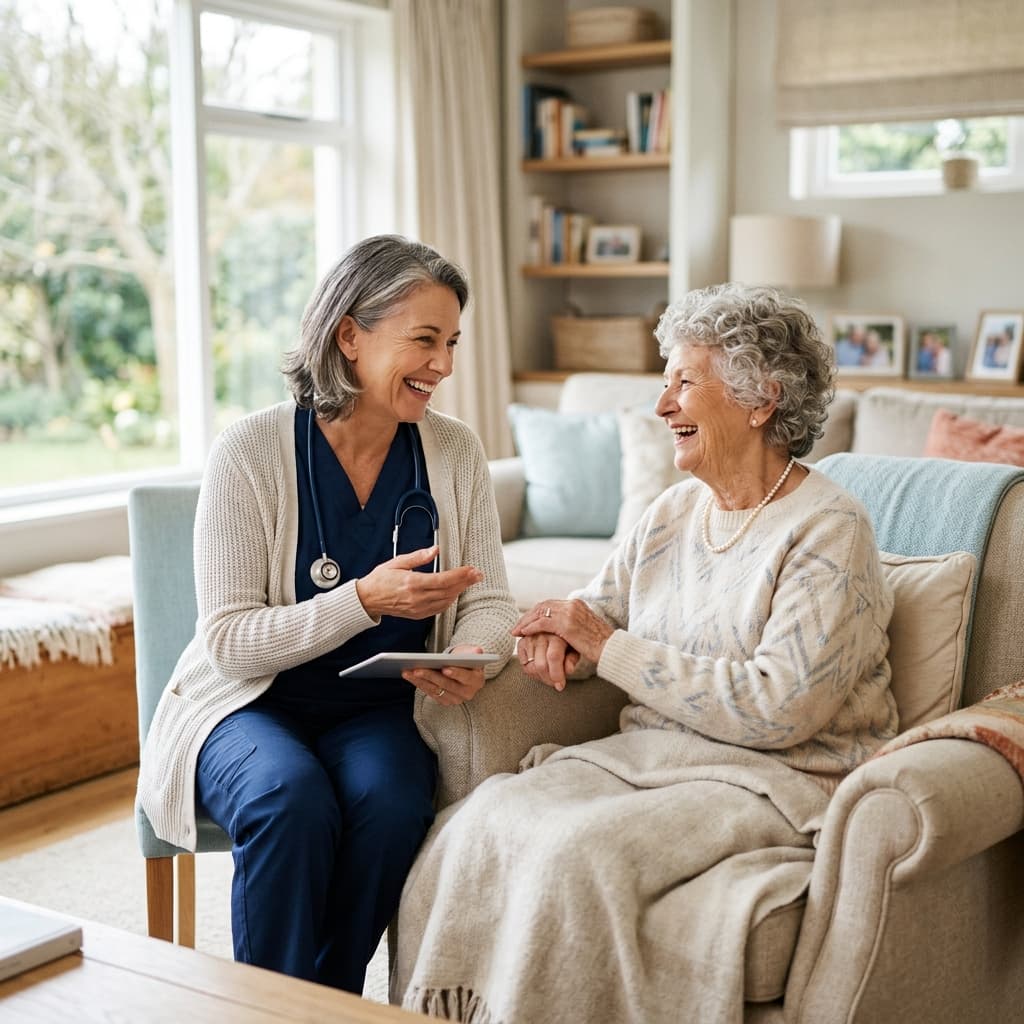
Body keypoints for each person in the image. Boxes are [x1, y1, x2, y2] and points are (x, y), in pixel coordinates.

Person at [393, 283, 898, 1024]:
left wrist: (604, 644)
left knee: (577, 851)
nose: (662, 406)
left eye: (683, 383)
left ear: (762, 400)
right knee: (475, 823)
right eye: (666, 383)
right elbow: (600, 610)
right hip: (653, 757)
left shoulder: (829, 529)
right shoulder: (673, 511)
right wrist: (559, 636)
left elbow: (781, 707)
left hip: (777, 779)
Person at [136, 234, 518, 994]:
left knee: (393, 803)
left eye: (450, 343)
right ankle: (272, 1006)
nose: (443, 365)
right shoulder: (249, 451)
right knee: (288, 798)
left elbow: (491, 600)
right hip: (245, 705)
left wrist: (471, 655)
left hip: (376, 709)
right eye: (424, 340)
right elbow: (229, 642)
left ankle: (326, 1001)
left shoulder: (453, 451)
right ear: (349, 335)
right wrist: (363, 600)